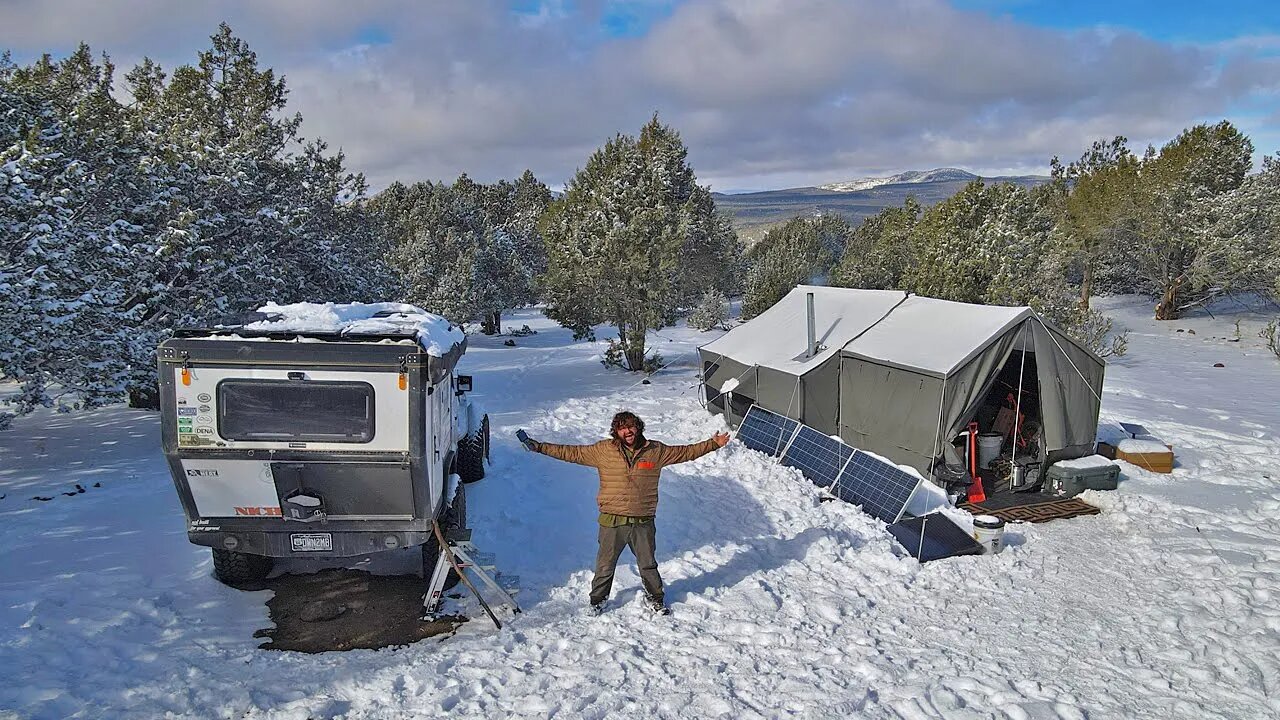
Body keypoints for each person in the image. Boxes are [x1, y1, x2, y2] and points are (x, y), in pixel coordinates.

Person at [518, 411, 730, 615]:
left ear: (638, 427)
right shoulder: (603, 451)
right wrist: (539, 447)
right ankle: (597, 602)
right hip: (612, 521)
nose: (627, 431)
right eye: (622, 428)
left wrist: (712, 444)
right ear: (616, 432)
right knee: (605, 566)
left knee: (648, 564)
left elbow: (686, 452)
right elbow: (571, 452)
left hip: (643, 521)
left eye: (631, 426)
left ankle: (656, 598)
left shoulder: (655, 451)